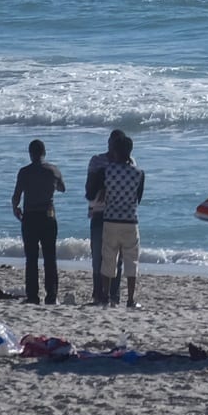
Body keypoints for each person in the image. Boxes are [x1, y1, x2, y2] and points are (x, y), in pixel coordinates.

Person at [87, 130, 144, 308]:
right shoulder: (138, 172)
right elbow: (138, 198)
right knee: (129, 260)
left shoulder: (106, 170)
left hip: (109, 218)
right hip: (129, 219)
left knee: (107, 258)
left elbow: (91, 192)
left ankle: (106, 295)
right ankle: (128, 299)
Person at [11, 139, 66, 305]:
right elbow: (62, 188)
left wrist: (15, 208)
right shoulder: (53, 170)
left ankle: (33, 296)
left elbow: (16, 196)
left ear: (30, 154)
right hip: (48, 216)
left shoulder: (24, 172)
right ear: (44, 153)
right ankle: (51, 295)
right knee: (50, 257)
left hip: (30, 217)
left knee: (31, 258)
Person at [84, 129, 120, 304]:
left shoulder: (128, 162)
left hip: (115, 214)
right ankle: (100, 293)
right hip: (100, 213)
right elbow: (89, 192)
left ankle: (112, 294)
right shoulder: (97, 160)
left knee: (113, 258)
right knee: (99, 257)